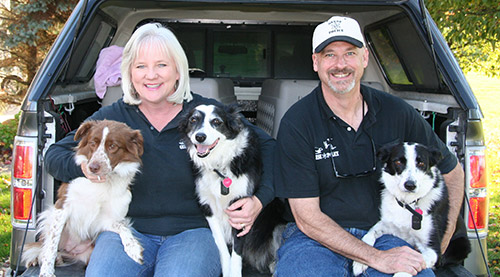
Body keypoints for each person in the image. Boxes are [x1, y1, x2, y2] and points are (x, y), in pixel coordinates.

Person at [44, 23, 275, 276]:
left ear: (178, 70)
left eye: (161, 65)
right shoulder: (113, 117)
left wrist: (259, 200)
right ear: (129, 72)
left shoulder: (205, 114)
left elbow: (271, 148)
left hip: (194, 233)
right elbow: (54, 155)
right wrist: (85, 168)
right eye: (141, 66)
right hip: (127, 229)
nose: (150, 75)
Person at [273, 16, 465, 276]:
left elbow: (453, 173)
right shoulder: (298, 122)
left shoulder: (398, 112)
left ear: (364, 58)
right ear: (315, 62)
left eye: (349, 53)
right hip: (314, 240)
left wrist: (439, 240)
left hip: (390, 232)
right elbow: (307, 218)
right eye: (329, 55)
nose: (341, 65)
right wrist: (376, 258)